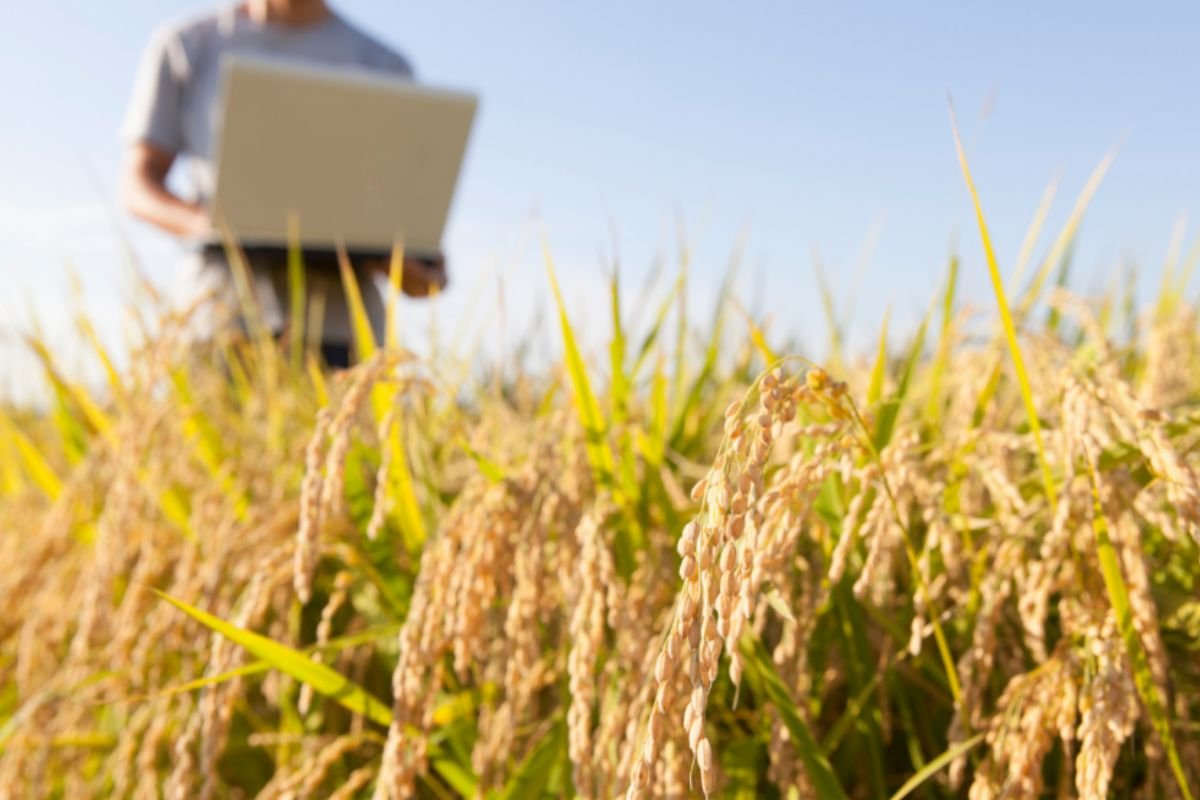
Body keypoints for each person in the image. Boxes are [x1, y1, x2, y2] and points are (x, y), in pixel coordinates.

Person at [120, 0, 447, 367]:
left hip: (345, 334)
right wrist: (208, 223)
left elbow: (405, 209)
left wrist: (411, 262)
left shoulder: (384, 65)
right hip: (221, 316)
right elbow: (137, 185)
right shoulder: (186, 45)